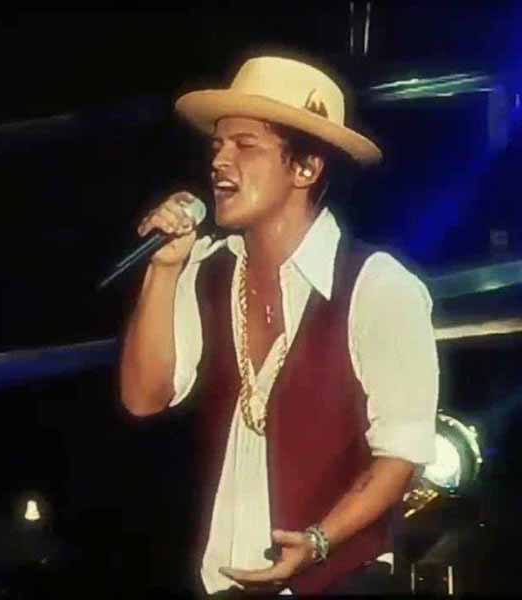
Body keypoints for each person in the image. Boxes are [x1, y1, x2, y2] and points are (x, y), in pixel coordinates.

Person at [118, 55, 439, 596]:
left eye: (245, 146)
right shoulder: (207, 271)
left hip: (343, 582)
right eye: (217, 145)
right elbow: (144, 397)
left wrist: (318, 541)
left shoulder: (379, 286)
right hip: (227, 585)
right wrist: (165, 268)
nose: (220, 161)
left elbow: (400, 456)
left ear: (306, 168)